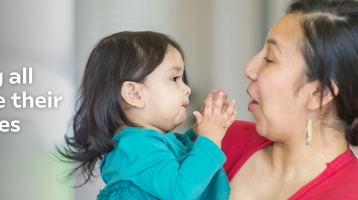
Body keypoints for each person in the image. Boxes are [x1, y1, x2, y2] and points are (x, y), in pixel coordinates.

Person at [198, 0, 358, 199]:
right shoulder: (217, 140)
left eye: (269, 59)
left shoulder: (351, 195)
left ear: (319, 93)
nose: (249, 70)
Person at [57, 31, 236, 200]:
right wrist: (210, 138)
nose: (187, 89)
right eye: (175, 79)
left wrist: (197, 131)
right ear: (134, 94)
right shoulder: (135, 146)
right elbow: (181, 190)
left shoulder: (143, 143)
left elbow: (173, 155)